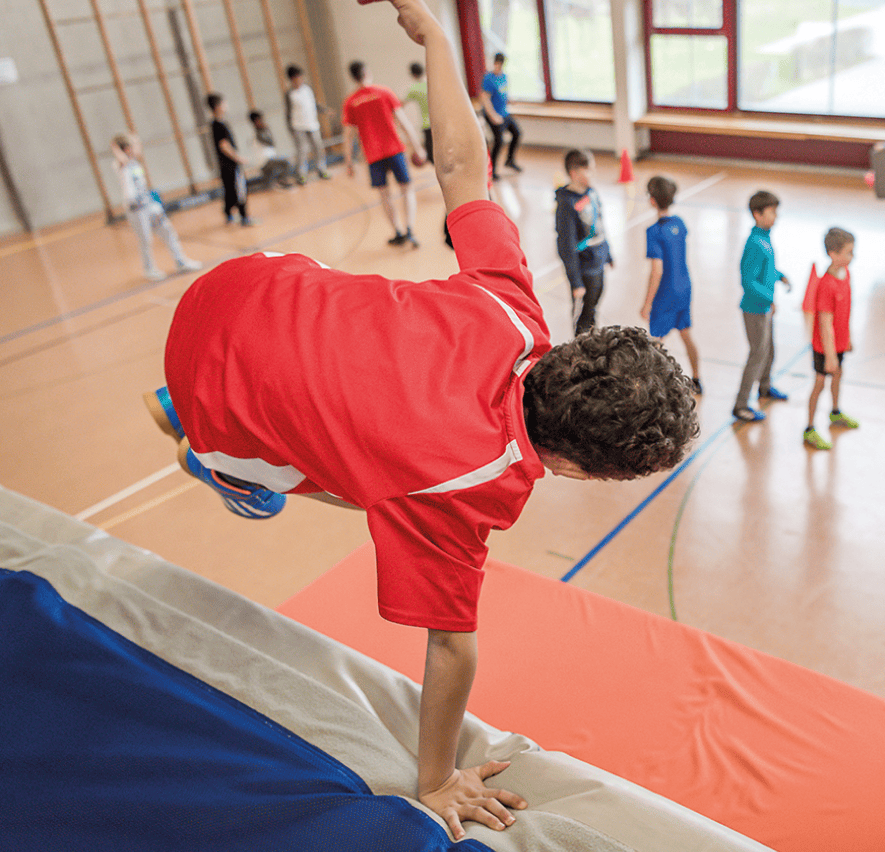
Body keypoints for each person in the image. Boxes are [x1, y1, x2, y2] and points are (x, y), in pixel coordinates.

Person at [141, 0, 697, 838]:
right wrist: (434, 780)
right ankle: (208, 450)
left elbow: (461, 167)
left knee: (359, 372)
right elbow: (451, 646)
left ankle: (190, 401)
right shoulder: (474, 488)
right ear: (581, 468)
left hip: (238, 284)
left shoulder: (515, 310)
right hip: (220, 390)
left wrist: (436, 33)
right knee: (336, 488)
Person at [342, 59, 427, 247]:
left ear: (353, 77)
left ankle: (397, 231)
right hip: (394, 149)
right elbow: (403, 122)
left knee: (384, 194)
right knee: (406, 189)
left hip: (372, 156)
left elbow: (348, 136)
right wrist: (418, 147)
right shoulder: (384, 92)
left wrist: (348, 162)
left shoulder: (351, 101)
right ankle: (410, 229)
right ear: (367, 72)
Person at [733, 190, 791, 422]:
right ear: (757, 214)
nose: (776, 217)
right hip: (754, 309)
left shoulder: (765, 237)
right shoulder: (754, 243)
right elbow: (747, 281)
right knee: (757, 354)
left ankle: (765, 386)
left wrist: (779, 275)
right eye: (772, 212)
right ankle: (740, 404)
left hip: (765, 307)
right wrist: (769, 298)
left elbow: (765, 270)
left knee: (770, 350)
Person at [110, 134, 201, 281]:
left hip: (148, 206)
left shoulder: (135, 163)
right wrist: (115, 145)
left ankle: (180, 261)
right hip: (136, 210)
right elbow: (122, 157)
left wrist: (136, 140)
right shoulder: (120, 165)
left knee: (167, 230)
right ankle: (149, 269)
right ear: (126, 149)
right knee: (145, 240)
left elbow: (137, 151)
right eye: (132, 146)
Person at [641, 175, 702, 393]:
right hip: (684, 287)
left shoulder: (653, 232)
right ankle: (696, 379)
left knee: (655, 341)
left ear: (652, 200)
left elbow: (657, 271)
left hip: (666, 292)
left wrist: (647, 303)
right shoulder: (681, 224)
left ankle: (653, 387)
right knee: (686, 334)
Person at [801, 228, 859, 450]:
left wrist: (848, 337)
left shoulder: (846, 275)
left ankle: (835, 413)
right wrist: (831, 355)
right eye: (848, 252)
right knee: (819, 383)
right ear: (833, 254)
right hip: (825, 346)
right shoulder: (826, 285)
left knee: (838, 376)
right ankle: (809, 428)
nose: (851, 257)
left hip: (840, 342)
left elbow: (846, 311)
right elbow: (825, 324)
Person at [555, 149, 613, 335]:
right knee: (582, 316)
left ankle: (593, 338)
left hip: (598, 261)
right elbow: (566, 246)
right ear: (574, 173)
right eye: (588, 170)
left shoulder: (592, 193)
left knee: (593, 306)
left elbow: (600, 225)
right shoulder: (566, 205)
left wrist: (608, 253)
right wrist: (576, 281)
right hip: (584, 267)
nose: (593, 174)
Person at [207, 93, 255, 226]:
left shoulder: (218, 124)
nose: (226, 105)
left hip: (225, 165)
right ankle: (244, 217)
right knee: (239, 190)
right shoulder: (218, 126)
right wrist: (238, 158)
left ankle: (229, 214)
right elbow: (224, 145)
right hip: (230, 165)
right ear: (217, 106)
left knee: (230, 190)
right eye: (224, 103)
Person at [284, 65, 330, 183]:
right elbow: (288, 113)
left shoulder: (307, 89)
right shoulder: (290, 94)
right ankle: (301, 175)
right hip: (298, 127)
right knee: (302, 151)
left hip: (312, 124)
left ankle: (321, 169)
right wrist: (291, 130)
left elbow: (315, 104)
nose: (300, 80)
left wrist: (325, 110)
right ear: (292, 79)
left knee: (318, 148)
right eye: (296, 78)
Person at [481, 53, 522, 175]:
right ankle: (492, 171)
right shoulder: (488, 78)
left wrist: (510, 99)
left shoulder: (504, 77)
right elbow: (485, 99)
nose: (498, 66)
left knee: (517, 133)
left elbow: (503, 93)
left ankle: (510, 160)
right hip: (493, 114)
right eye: (497, 64)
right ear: (494, 63)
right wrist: (493, 116)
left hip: (504, 113)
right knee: (499, 142)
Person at [247, 111, 295, 189]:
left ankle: (275, 181)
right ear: (256, 121)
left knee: (267, 185)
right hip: (266, 161)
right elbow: (270, 142)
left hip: (265, 161)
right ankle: (282, 180)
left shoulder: (257, 132)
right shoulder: (258, 133)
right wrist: (267, 130)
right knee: (288, 162)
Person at [405, 61, 433, 162]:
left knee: (431, 156)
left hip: (427, 125)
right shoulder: (433, 84)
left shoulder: (414, 89)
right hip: (441, 123)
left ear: (413, 75)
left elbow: (400, 105)